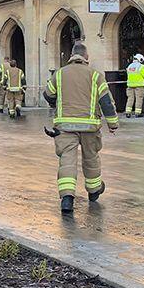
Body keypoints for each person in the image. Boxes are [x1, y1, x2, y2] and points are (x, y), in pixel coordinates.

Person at [43, 42, 119, 214]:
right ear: (86, 57)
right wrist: (113, 124)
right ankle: (93, 191)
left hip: (65, 126)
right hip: (90, 127)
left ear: (71, 56)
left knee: (67, 161)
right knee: (91, 159)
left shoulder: (59, 74)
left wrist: (56, 103)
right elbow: (106, 102)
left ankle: (67, 199)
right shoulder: (96, 76)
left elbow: (48, 94)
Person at [125, 53, 144, 118]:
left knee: (130, 98)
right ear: (140, 59)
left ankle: (128, 112)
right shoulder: (141, 67)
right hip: (139, 86)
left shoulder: (129, 66)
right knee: (139, 99)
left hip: (130, 85)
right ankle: (137, 113)